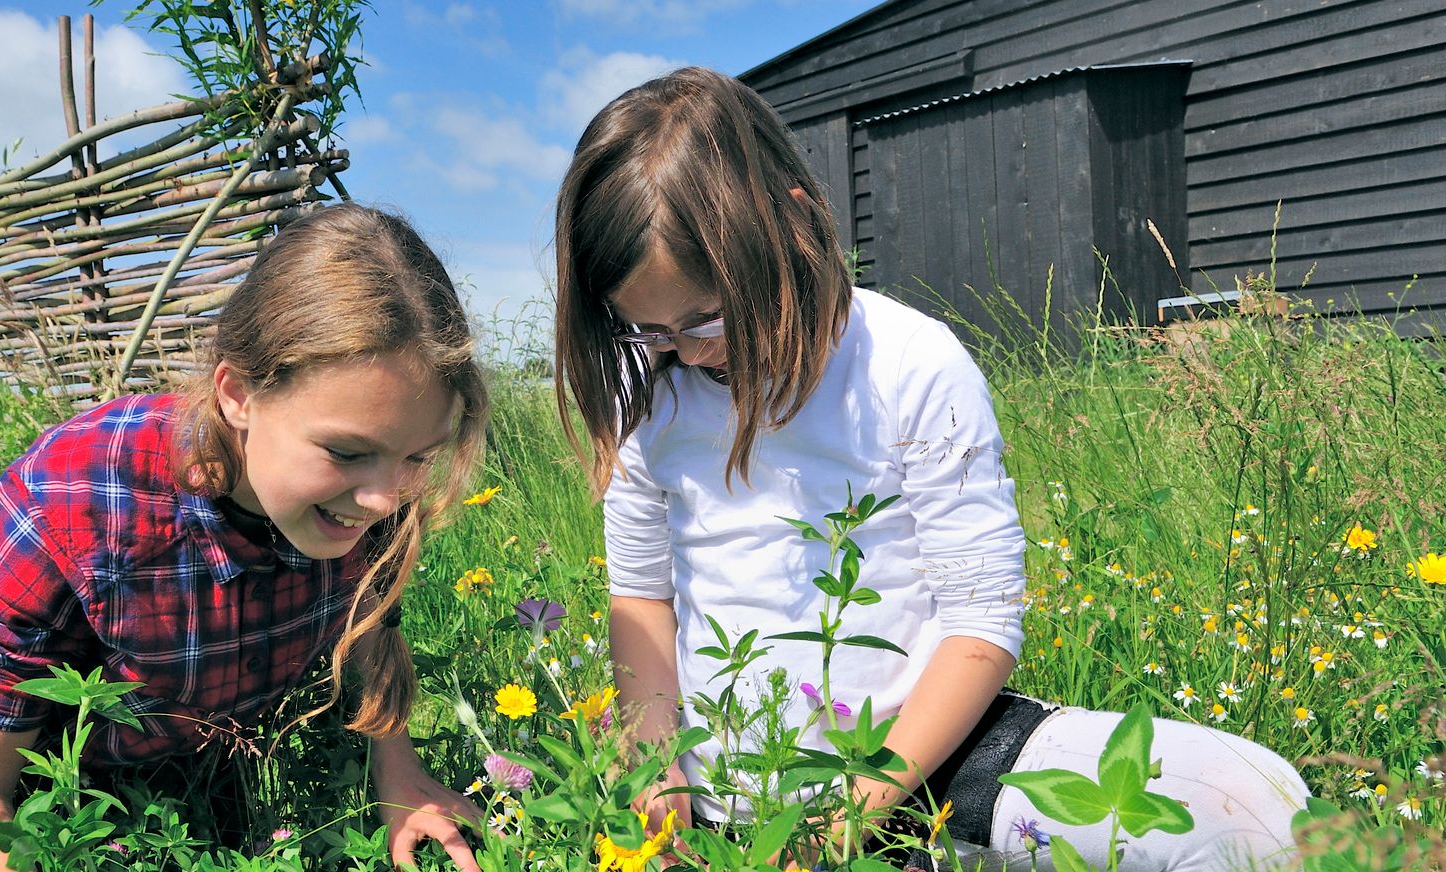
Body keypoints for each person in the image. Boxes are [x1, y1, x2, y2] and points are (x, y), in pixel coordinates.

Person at [552, 67, 1310, 870]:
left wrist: (845, 824)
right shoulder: (650, 394)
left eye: (707, 318)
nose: (688, 351)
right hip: (732, 808)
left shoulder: (907, 363)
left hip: (917, 769)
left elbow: (981, 622)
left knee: (1252, 807)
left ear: (794, 224)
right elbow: (642, 596)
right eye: (648, 329)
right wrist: (657, 766)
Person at [0, 203, 488, 872]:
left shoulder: (373, 486)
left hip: (196, 772)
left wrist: (398, 769)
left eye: (419, 456)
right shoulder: (79, 501)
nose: (385, 499)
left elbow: (372, 622)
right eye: (345, 452)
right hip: (42, 773)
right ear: (238, 394)